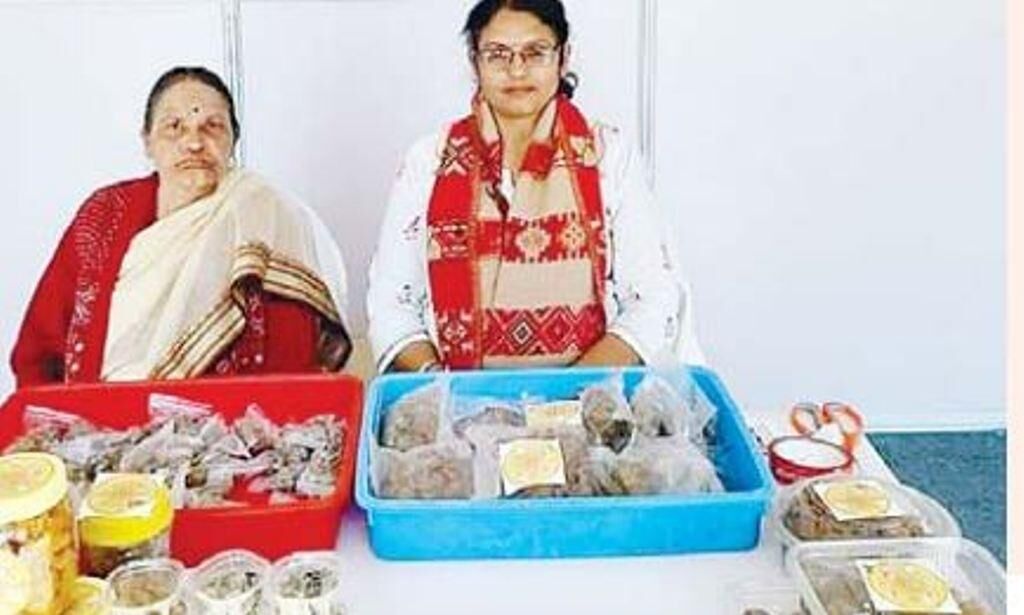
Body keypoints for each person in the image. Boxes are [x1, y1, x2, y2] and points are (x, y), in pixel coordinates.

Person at [367, 0, 698, 373]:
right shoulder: (428, 160)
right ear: (475, 62)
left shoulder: (608, 156)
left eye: (535, 52)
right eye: (498, 54)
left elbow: (653, 299)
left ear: (563, 57)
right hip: (453, 399)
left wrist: (569, 394)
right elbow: (391, 303)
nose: (516, 70)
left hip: (591, 398)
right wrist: (442, 389)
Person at [11, 66, 351, 386]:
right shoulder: (104, 215)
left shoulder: (266, 213)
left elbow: (291, 356)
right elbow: (39, 349)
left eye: (212, 126)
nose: (194, 143)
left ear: (233, 139)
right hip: (99, 420)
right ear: (147, 141)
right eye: (174, 127)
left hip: (232, 422)